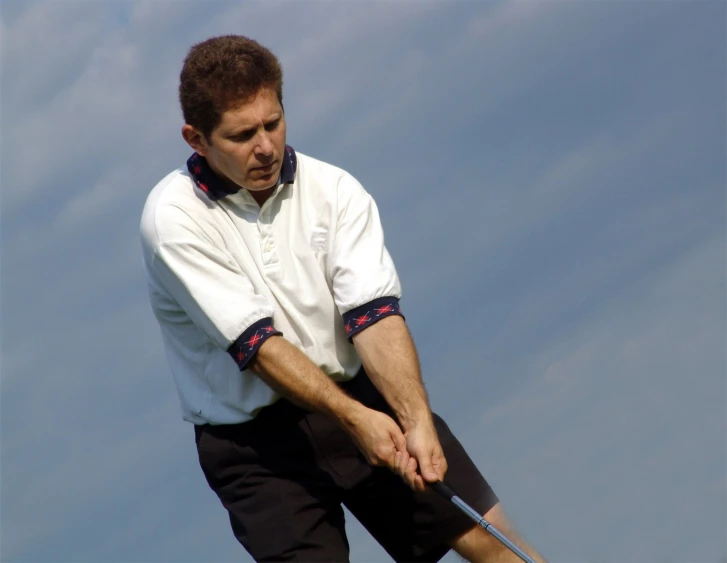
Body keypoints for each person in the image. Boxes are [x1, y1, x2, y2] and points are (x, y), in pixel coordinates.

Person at [140, 35, 545, 563]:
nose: (265, 146)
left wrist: (415, 419)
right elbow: (259, 346)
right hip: (255, 449)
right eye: (242, 135)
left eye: (273, 123)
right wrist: (353, 419)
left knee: (494, 546)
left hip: (363, 392)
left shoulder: (335, 190)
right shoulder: (171, 219)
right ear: (196, 139)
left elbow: (374, 318)